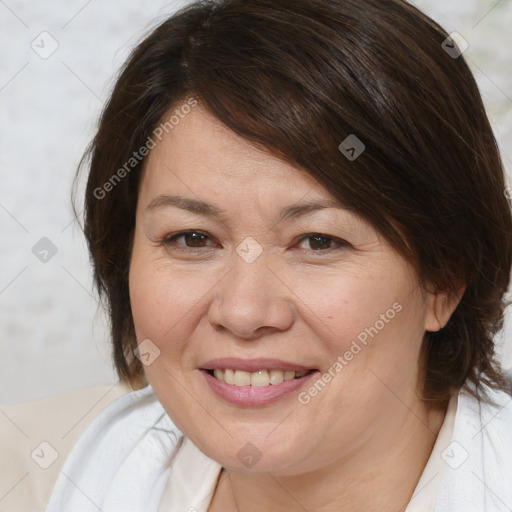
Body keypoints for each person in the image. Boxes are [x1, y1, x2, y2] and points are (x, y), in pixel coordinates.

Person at [1, 0, 511, 510]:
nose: (244, 313)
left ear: (445, 279)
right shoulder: (30, 478)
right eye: (192, 238)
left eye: (318, 241)